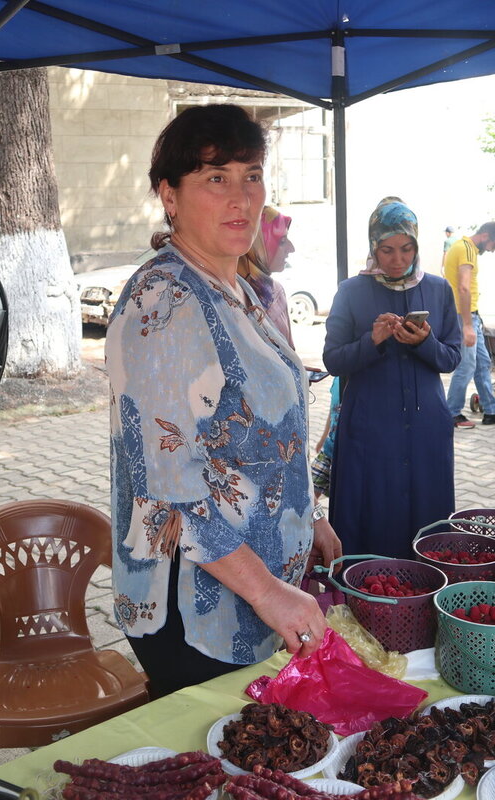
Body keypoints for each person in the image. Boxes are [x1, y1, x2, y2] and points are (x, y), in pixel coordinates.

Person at [106, 104, 342, 698]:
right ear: (170, 195)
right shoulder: (163, 302)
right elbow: (168, 484)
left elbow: (263, 430)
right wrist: (268, 592)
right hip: (199, 605)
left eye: (252, 175)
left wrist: (304, 513)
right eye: (216, 178)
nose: (241, 198)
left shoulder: (232, 285)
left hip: (258, 587)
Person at [323, 197, 463, 559]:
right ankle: (365, 594)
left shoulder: (438, 289)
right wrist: (372, 341)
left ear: (416, 246)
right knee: (371, 515)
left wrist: (424, 342)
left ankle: (425, 591)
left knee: (426, 519)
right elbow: (333, 360)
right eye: (386, 250)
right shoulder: (352, 292)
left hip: (426, 427)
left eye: (406, 249)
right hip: (370, 427)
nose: (397, 260)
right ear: (374, 247)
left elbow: (451, 357)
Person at [443, 221, 495, 428]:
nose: (492, 250)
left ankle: (491, 410)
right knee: (467, 365)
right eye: (494, 245)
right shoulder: (467, 249)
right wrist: (468, 325)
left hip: (468, 316)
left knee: (482, 362)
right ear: (485, 235)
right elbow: (463, 287)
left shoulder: (461, 247)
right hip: (464, 316)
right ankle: (451, 412)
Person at [237, 206, 296, 347]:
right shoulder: (231, 295)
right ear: (256, 245)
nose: (291, 248)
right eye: (282, 241)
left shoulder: (277, 291)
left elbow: (289, 352)